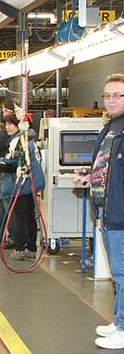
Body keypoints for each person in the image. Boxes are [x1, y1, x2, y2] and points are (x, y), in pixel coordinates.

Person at [83, 74, 124, 350]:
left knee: (122, 272)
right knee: (118, 272)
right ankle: (119, 320)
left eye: (118, 95)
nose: (111, 100)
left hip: (120, 212)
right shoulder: (110, 126)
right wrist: (91, 179)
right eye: (108, 95)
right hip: (107, 210)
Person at [0, 113, 44, 260]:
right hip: (32, 183)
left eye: (10, 124)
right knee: (30, 217)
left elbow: (14, 163)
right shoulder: (30, 139)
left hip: (22, 184)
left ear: (19, 125)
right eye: (6, 124)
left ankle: (20, 248)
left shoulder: (19, 141)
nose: (7, 127)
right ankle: (31, 248)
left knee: (20, 218)